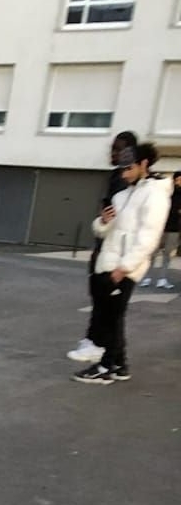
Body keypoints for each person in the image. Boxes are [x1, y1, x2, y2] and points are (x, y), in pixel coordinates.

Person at [71, 143, 172, 384]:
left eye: (128, 168)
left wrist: (124, 267)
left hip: (125, 267)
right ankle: (119, 364)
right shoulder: (122, 195)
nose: (123, 174)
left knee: (109, 317)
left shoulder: (155, 194)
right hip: (108, 263)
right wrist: (103, 222)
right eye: (121, 169)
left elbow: (148, 237)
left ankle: (105, 366)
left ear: (144, 164)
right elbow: (105, 231)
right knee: (113, 316)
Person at [67, 130, 138, 363]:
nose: (113, 153)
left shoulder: (130, 185)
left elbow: (124, 223)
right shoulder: (117, 178)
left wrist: (124, 262)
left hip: (116, 253)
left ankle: (104, 350)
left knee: (110, 306)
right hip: (106, 248)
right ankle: (99, 345)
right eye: (113, 148)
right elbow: (106, 218)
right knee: (102, 301)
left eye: (118, 149)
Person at [139, 170, 180, 289]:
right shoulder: (167, 192)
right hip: (159, 226)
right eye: (177, 179)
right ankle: (147, 277)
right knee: (152, 253)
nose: (179, 182)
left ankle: (162, 279)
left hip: (174, 229)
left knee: (168, 255)